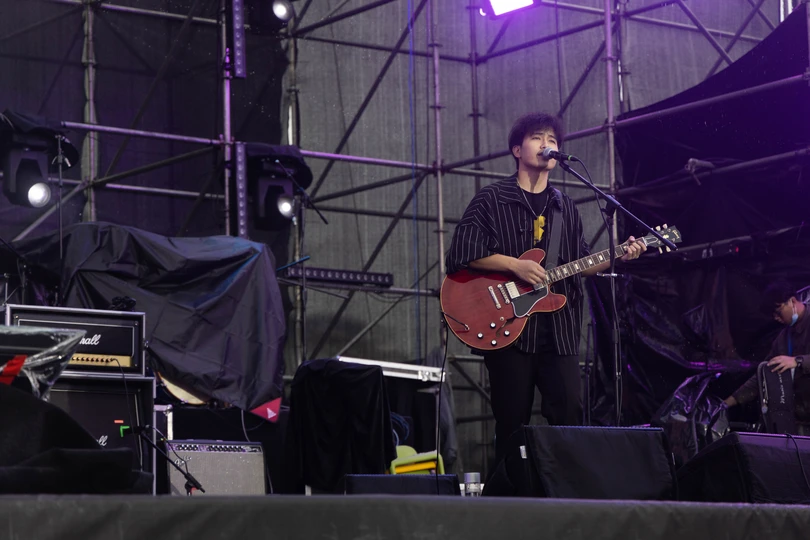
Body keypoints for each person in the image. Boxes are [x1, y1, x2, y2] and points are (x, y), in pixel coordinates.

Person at [445, 112, 646, 461]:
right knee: (512, 424)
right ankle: (510, 491)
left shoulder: (564, 207)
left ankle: (561, 490)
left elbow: (582, 264)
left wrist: (620, 254)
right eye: (538, 138)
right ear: (517, 150)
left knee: (569, 415)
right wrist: (515, 265)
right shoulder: (492, 199)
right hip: (507, 330)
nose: (547, 145)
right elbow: (461, 254)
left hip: (559, 331)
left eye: (553, 140)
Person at [724, 280, 810, 433]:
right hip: (800, 422)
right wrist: (728, 403)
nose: (776, 318)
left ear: (792, 301)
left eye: (778, 311)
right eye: (773, 315)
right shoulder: (783, 340)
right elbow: (763, 375)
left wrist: (797, 361)